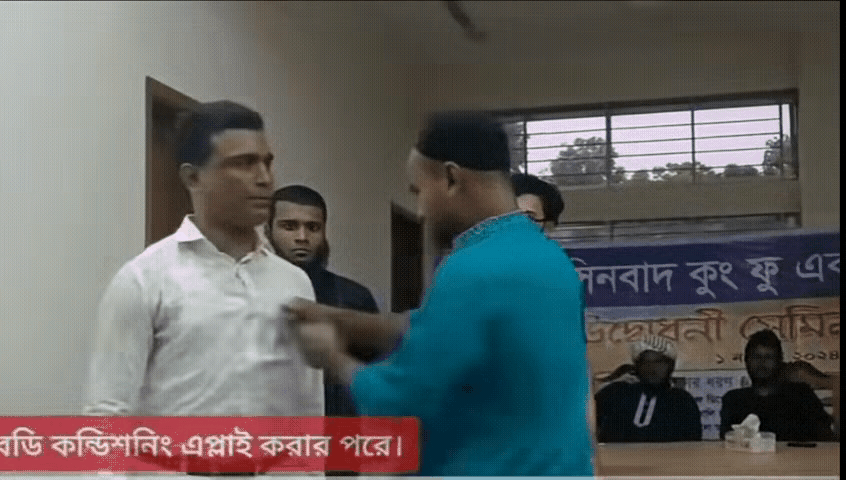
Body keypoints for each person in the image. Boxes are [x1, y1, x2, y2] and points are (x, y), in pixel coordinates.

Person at [285, 111, 595, 476]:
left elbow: (402, 402)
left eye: (419, 192)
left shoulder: (472, 268)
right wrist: (340, 318)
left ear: (450, 178)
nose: (420, 211)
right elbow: (440, 332)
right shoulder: (549, 259)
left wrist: (332, 357)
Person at [84, 101, 323, 473]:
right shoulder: (145, 280)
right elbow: (108, 412)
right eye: (244, 163)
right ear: (193, 177)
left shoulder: (294, 283)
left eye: (267, 162)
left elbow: (308, 408)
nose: (264, 178)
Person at [267, 184, 380, 420]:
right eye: (289, 226)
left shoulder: (354, 297)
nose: (302, 237)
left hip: (338, 432)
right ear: (268, 230)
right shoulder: (249, 292)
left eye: (313, 228)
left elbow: (375, 379)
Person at [720, 329, 837, 441]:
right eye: (756, 357)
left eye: (769, 357)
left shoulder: (802, 395)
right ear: (746, 361)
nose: (762, 363)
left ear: (779, 361)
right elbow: (727, 441)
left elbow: (824, 439)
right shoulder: (734, 401)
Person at [594, 335, 702, 442]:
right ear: (637, 366)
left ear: (671, 366)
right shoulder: (615, 393)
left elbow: (692, 443)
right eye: (645, 362)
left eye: (659, 362)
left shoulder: (682, 401)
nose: (652, 368)